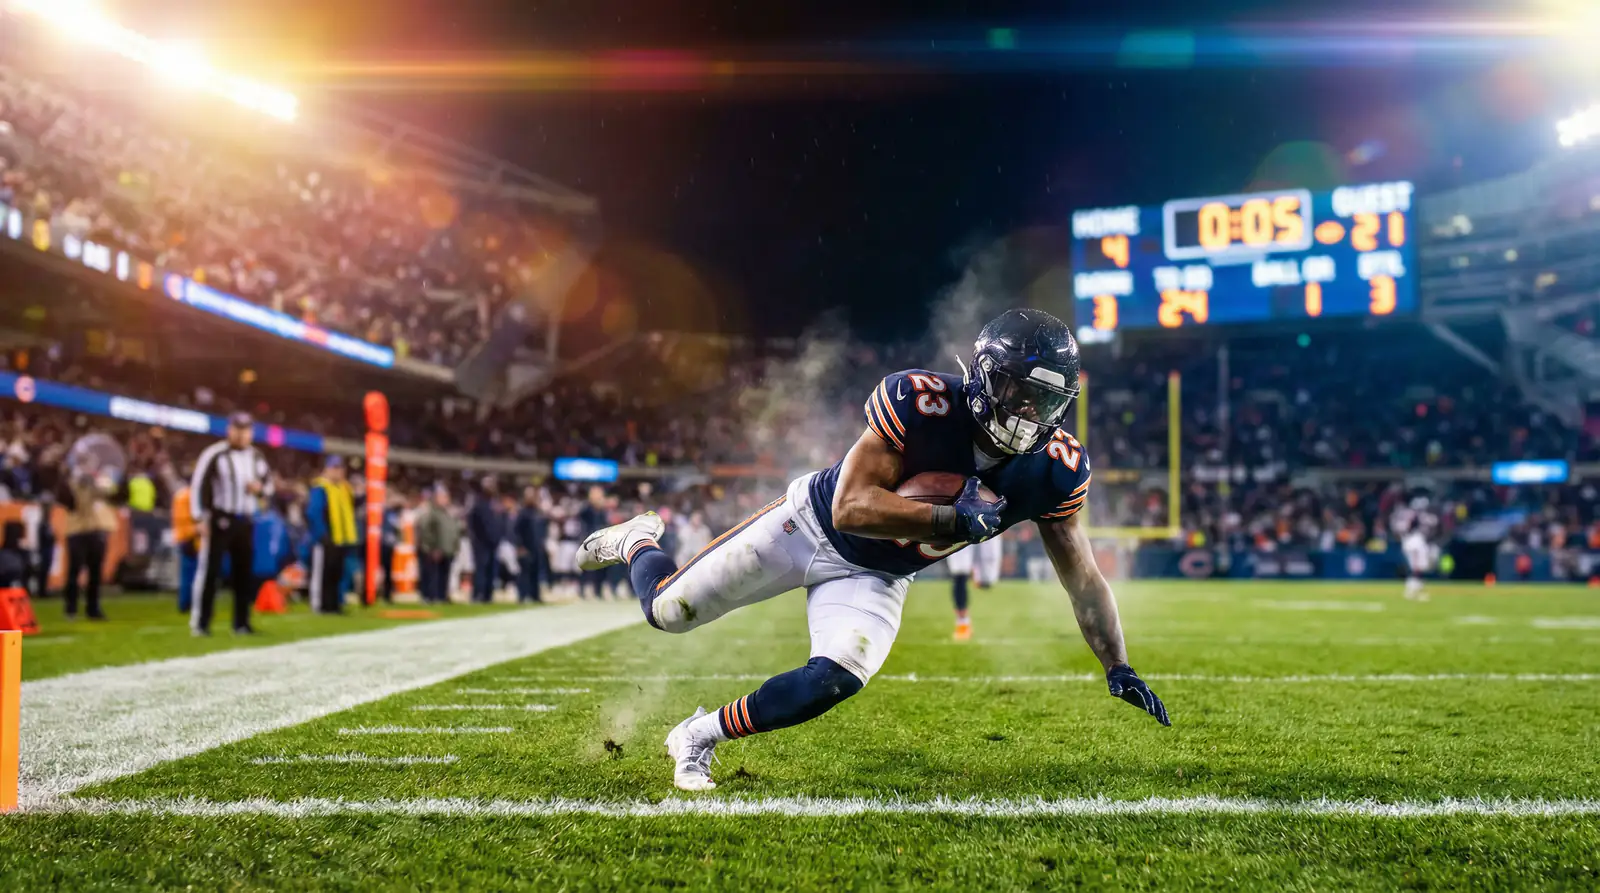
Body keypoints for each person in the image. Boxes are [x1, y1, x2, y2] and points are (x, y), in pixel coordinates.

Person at [578, 309, 1169, 791]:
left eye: (1043, 401)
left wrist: (1117, 663)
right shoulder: (923, 402)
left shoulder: (1056, 470)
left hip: (880, 572)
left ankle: (697, 737)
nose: (1025, 412)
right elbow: (851, 507)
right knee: (668, 613)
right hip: (808, 527)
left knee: (835, 677)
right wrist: (950, 518)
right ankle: (638, 541)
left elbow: (1084, 578)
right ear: (988, 376)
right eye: (1017, 391)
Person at [189, 412, 273, 636]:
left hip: (245, 519)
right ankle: (201, 623)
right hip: (220, 518)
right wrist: (199, 518)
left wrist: (260, 489)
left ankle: (241, 623)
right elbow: (199, 486)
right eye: (238, 428)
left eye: (246, 429)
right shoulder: (215, 454)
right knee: (210, 572)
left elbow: (269, 484)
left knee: (243, 574)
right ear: (230, 430)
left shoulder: (256, 456)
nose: (242, 433)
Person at [59, 461, 120, 621]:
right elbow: (67, 501)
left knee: (95, 572)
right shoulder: (69, 484)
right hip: (76, 530)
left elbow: (111, 492)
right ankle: (70, 608)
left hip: (95, 529)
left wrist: (95, 482)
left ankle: (93, 608)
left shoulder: (96, 483)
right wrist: (76, 483)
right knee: (74, 570)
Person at [306, 457, 358, 614]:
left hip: (340, 539)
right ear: (327, 469)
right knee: (322, 573)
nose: (338, 472)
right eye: (335, 468)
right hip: (326, 538)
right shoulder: (320, 488)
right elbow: (314, 513)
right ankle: (320, 604)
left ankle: (334, 604)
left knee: (336, 573)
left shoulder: (344, 488)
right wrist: (322, 534)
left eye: (340, 468)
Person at [943, 532, 1002, 641]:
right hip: (959, 522)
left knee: (987, 581)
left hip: (988, 521)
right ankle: (962, 623)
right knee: (959, 572)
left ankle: (976, 570)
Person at [415, 486, 459, 604]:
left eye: (446, 497)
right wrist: (432, 548)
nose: (446, 500)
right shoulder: (431, 512)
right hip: (435, 550)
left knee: (445, 576)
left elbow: (454, 531)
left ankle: (442, 596)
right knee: (433, 575)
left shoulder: (448, 513)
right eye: (443, 497)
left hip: (447, 550)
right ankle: (431, 596)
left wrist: (455, 548)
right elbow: (427, 532)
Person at [466, 477, 505, 604]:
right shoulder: (478, 503)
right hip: (481, 543)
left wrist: (497, 538)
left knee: (491, 571)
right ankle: (478, 594)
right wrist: (477, 539)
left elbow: (499, 524)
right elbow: (473, 524)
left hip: (493, 543)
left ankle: (488, 595)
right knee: (481, 570)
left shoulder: (494, 504)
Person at [1395, 495, 1437, 601]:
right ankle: (1412, 590)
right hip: (1413, 541)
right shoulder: (1413, 515)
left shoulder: (1410, 514)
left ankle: (1415, 589)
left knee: (1419, 567)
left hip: (1411, 541)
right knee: (1417, 566)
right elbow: (1408, 527)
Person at [512, 486, 546, 603]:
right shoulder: (523, 513)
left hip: (537, 547)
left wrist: (542, 543)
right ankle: (522, 596)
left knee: (536, 573)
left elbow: (542, 530)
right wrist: (519, 546)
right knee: (524, 573)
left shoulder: (538, 513)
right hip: (525, 547)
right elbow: (516, 531)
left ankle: (535, 595)